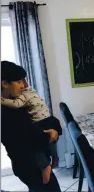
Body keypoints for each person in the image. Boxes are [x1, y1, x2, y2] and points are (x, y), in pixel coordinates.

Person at [1, 61, 61, 192]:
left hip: (34, 165)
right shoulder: (6, 112)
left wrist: (52, 129)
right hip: (31, 167)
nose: (24, 85)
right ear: (5, 83)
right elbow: (24, 139)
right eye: (19, 82)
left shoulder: (16, 104)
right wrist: (50, 135)